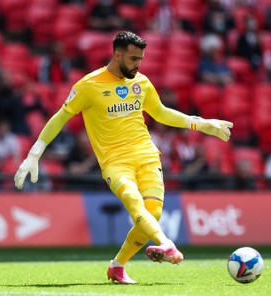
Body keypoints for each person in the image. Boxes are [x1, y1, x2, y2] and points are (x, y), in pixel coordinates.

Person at [14, 31, 233, 284]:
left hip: (148, 155)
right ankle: (166, 244)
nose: (138, 64)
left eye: (141, 59)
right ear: (117, 55)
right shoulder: (89, 85)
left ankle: (117, 266)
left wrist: (200, 123)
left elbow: (160, 112)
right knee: (132, 199)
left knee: (154, 212)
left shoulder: (141, 82)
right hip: (114, 162)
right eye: (133, 59)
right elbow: (60, 118)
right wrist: (34, 153)